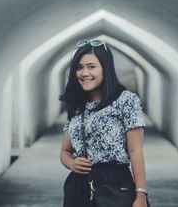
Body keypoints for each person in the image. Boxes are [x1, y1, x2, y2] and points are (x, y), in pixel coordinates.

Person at [59, 39, 149, 207]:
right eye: (79, 67)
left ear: (105, 68)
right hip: (78, 189)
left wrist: (141, 194)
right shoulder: (77, 105)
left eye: (91, 66)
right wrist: (71, 163)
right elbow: (65, 151)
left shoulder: (126, 100)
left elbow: (135, 150)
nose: (84, 73)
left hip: (115, 186)